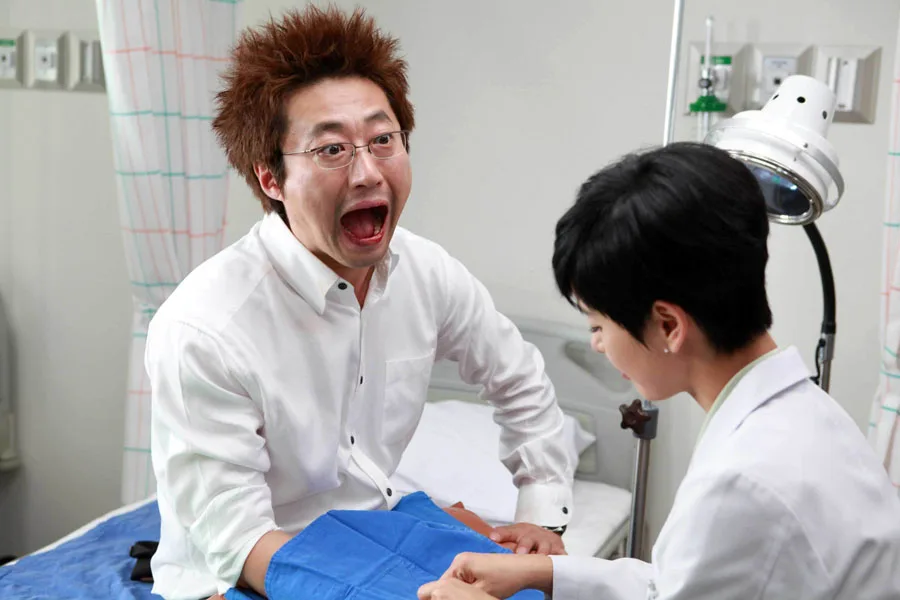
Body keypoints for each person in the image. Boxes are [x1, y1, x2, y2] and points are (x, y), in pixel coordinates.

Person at [145, 6, 575, 600]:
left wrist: (543, 517)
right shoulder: (206, 327)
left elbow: (518, 379)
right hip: (258, 562)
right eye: (331, 150)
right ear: (270, 177)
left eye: (383, 140)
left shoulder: (426, 274)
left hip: (380, 523)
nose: (369, 172)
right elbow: (237, 541)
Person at [417, 142, 900, 600]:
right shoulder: (804, 415)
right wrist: (544, 572)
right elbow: (679, 584)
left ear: (668, 325)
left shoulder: (744, 480)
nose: (597, 344)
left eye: (598, 324)